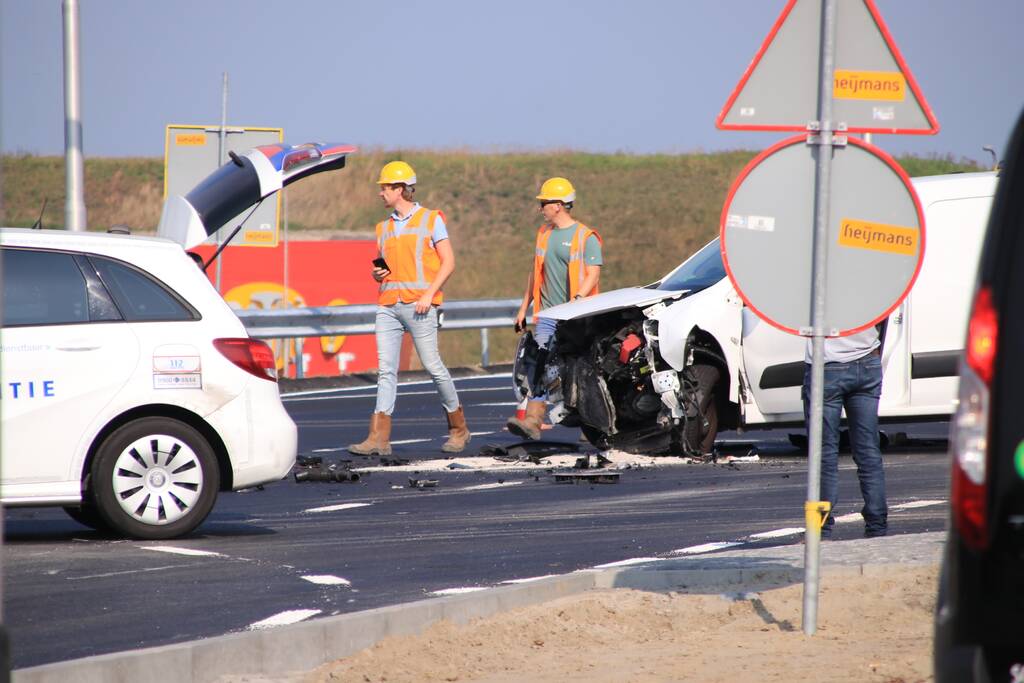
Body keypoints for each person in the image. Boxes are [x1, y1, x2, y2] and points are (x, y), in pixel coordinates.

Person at [348, 161, 470, 456]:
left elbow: (449, 262)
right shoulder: (383, 227)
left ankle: (459, 429)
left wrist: (429, 294)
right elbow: (386, 269)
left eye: (385, 188)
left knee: (433, 367)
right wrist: (377, 274)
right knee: (386, 371)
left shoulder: (431, 220)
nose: (381, 193)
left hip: (420, 305)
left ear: (400, 189)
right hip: (388, 305)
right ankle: (378, 438)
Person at [506, 177, 602, 440]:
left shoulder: (585, 237)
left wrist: (578, 298)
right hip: (547, 314)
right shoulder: (544, 234)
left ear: (558, 205)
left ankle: (592, 425)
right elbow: (535, 274)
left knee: (577, 368)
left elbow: (593, 274)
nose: (541, 209)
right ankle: (533, 421)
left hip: (576, 315)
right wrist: (523, 308)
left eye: (544, 203)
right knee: (539, 362)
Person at [802, 326, 887, 538]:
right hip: (868, 360)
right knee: (868, 451)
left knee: (823, 454)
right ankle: (877, 526)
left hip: (826, 364)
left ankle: (819, 531)